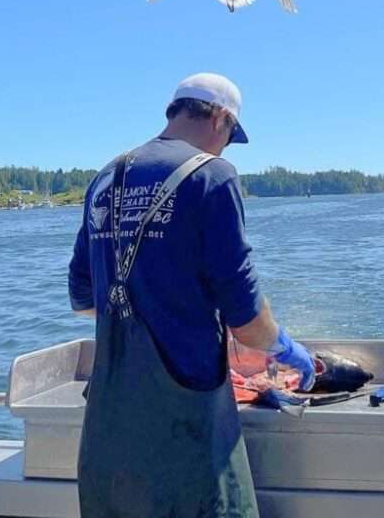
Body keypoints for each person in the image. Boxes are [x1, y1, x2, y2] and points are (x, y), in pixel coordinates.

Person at [68, 72, 315, 518]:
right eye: (229, 136)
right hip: (188, 436)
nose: (223, 148)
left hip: (110, 437)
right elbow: (246, 319)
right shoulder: (213, 176)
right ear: (220, 117)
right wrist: (285, 348)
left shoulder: (106, 177)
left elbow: (84, 300)